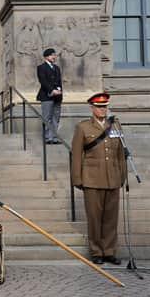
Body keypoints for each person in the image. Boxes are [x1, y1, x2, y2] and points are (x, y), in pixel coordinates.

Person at [71, 92, 127, 265]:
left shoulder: (115, 125)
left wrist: (122, 175)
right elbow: (76, 155)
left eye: (105, 107)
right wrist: (77, 179)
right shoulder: (83, 127)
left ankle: (109, 251)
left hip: (112, 178)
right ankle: (96, 251)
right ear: (92, 108)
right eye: (99, 107)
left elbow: (120, 153)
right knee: (94, 217)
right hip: (92, 179)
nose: (102, 110)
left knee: (111, 217)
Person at [36, 48, 63, 144]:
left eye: (54, 55)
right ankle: (48, 138)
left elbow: (59, 81)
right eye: (52, 55)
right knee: (47, 117)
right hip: (47, 96)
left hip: (57, 97)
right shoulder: (41, 67)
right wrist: (52, 90)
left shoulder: (57, 68)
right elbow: (43, 81)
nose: (54, 57)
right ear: (46, 56)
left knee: (56, 117)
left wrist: (59, 90)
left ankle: (54, 137)